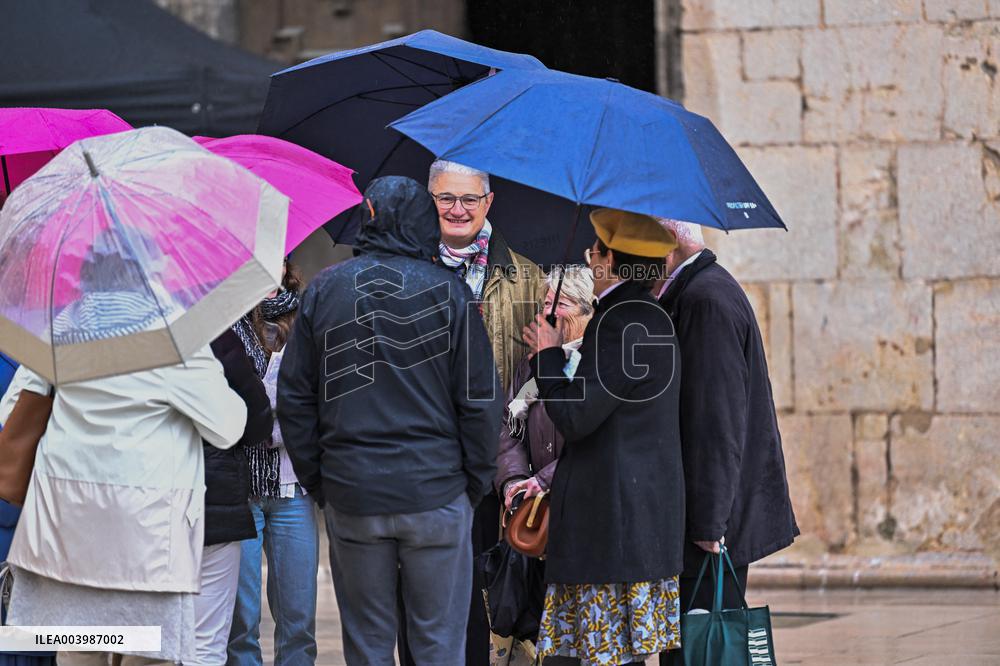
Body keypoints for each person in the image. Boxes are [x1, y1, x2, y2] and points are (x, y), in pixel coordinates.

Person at [277, 176, 504, 665]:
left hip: (353, 494)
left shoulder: (323, 291)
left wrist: (322, 482)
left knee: (367, 645)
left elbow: (294, 397)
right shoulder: (451, 295)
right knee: (439, 646)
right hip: (437, 494)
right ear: (424, 222)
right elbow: (481, 401)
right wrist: (473, 483)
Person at [2, 236, 247, 665]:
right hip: (145, 535)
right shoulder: (171, 335)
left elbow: (12, 411)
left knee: (81, 651)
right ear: (148, 270)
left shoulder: (58, 327)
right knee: (146, 654)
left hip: (64, 529)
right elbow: (227, 427)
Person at [522, 209, 684, 665]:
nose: (589, 257)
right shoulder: (642, 314)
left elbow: (577, 416)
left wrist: (548, 357)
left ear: (612, 261)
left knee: (607, 658)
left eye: (595, 250)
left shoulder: (622, 322)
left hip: (614, 528)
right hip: (631, 523)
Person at [655, 219, 798, 665]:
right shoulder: (701, 291)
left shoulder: (706, 300)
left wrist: (708, 524)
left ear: (668, 240)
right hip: (712, 516)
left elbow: (716, 420)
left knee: (701, 648)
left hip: (712, 522)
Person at [427, 159, 546, 665]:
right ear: (430, 200)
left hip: (497, 461)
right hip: (429, 461)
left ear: (488, 203)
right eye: (446, 199)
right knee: (426, 594)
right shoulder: (412, 271)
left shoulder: (529, 278)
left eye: (469, 200)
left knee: (490, 591)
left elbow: (551, 373)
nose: (457, 210)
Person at [228, 261, 319, 666]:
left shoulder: (310, 319)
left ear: (287, 265)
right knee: (240, 623)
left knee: (298, 623)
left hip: (292, 487)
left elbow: (319, 398)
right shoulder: (223, 320)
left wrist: (269, 418)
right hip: (238, 487)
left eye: (276, 254)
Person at [195, 329, 274, 665]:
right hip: (214, 501)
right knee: (207, 641)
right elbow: (256, 421)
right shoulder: (211, 331)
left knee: (131, 639)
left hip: (126, 508)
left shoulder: (82, 334)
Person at [496, 265, 595, 507]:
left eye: (562, 305)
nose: (551, 313)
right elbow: (507, 429)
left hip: (583, 505)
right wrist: (514, 481)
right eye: (547, 304)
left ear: (589, 312)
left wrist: (544, 480)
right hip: (532, 507)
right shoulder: (532, 364)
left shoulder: (597, 364)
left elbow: (597, 443)